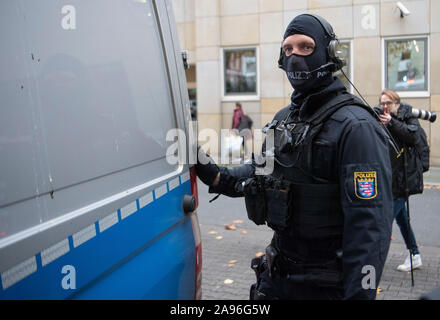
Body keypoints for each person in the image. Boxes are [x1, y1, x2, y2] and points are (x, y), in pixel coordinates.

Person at [196, 14, 393, 300]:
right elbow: (259, 171)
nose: (295, 56)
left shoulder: (356, 126)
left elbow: (370, 229)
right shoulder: (284, 119)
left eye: (305, 47)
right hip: (278, 278)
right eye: (288, 49)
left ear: (330, 52)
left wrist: (361, 294)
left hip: (326, 288)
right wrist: (215, 175)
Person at [378, 89, 423, 272]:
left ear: (397, 103)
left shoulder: (408, 117)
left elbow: (413, 136)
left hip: (404, 179)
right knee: (401, 219)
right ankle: (415, 254)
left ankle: (373, 260)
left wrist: (392, 122)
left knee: (384, 219)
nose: (385, 107)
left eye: (388, 103)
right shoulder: (382, 119)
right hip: (390, 178)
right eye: (382, 103)